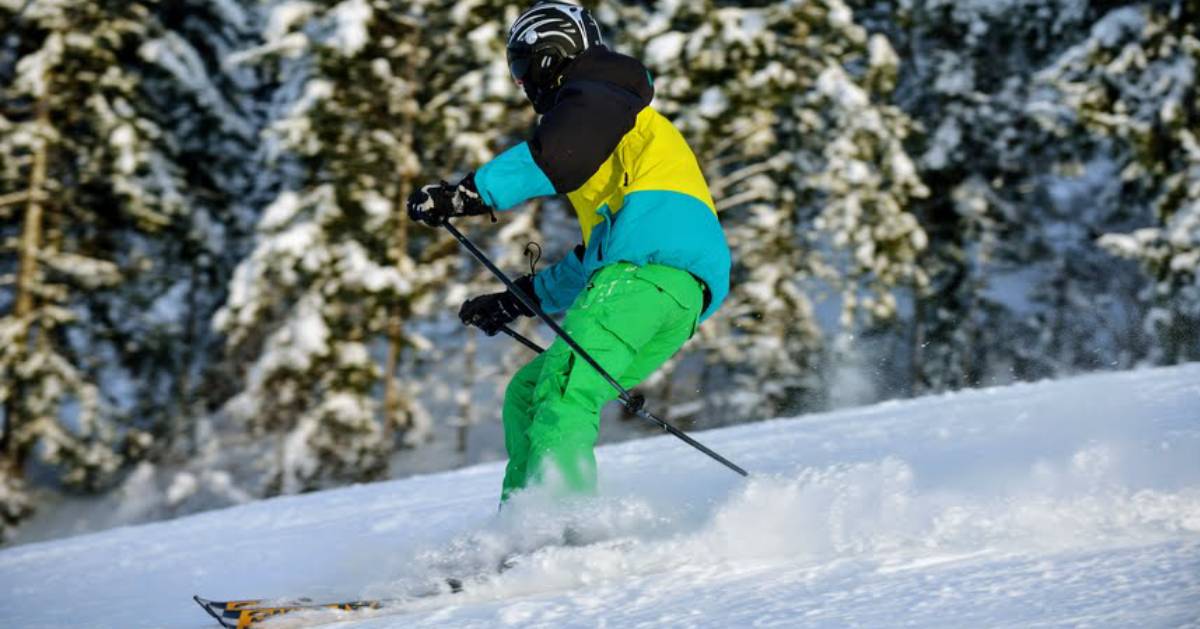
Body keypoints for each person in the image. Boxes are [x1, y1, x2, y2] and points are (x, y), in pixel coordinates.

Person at [407, 1, 730, 503]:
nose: (520, 83)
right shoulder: (615, 138)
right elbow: (596, 257)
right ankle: (522, 521)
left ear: (550, 53)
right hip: (666, 293)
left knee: (563, 388)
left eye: (520, 66)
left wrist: (468, 194)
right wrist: (517, 299)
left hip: (648, 277)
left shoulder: (604, 91)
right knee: (529, 393)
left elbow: (558, 155)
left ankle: (561, 524)